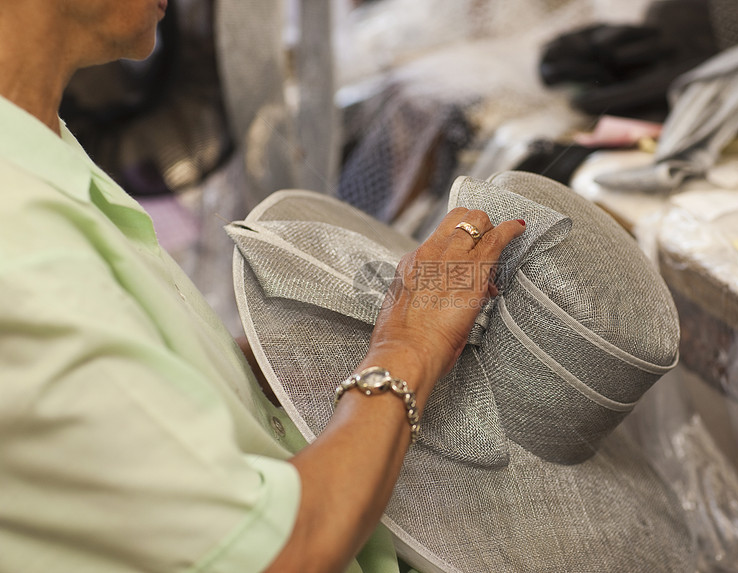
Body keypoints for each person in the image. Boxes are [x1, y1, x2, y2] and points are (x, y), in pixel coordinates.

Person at [0, 2, 525, 572]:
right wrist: (409, 345)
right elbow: (282, 554)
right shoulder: (20, 250)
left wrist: (265, 371)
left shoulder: (39, 150)